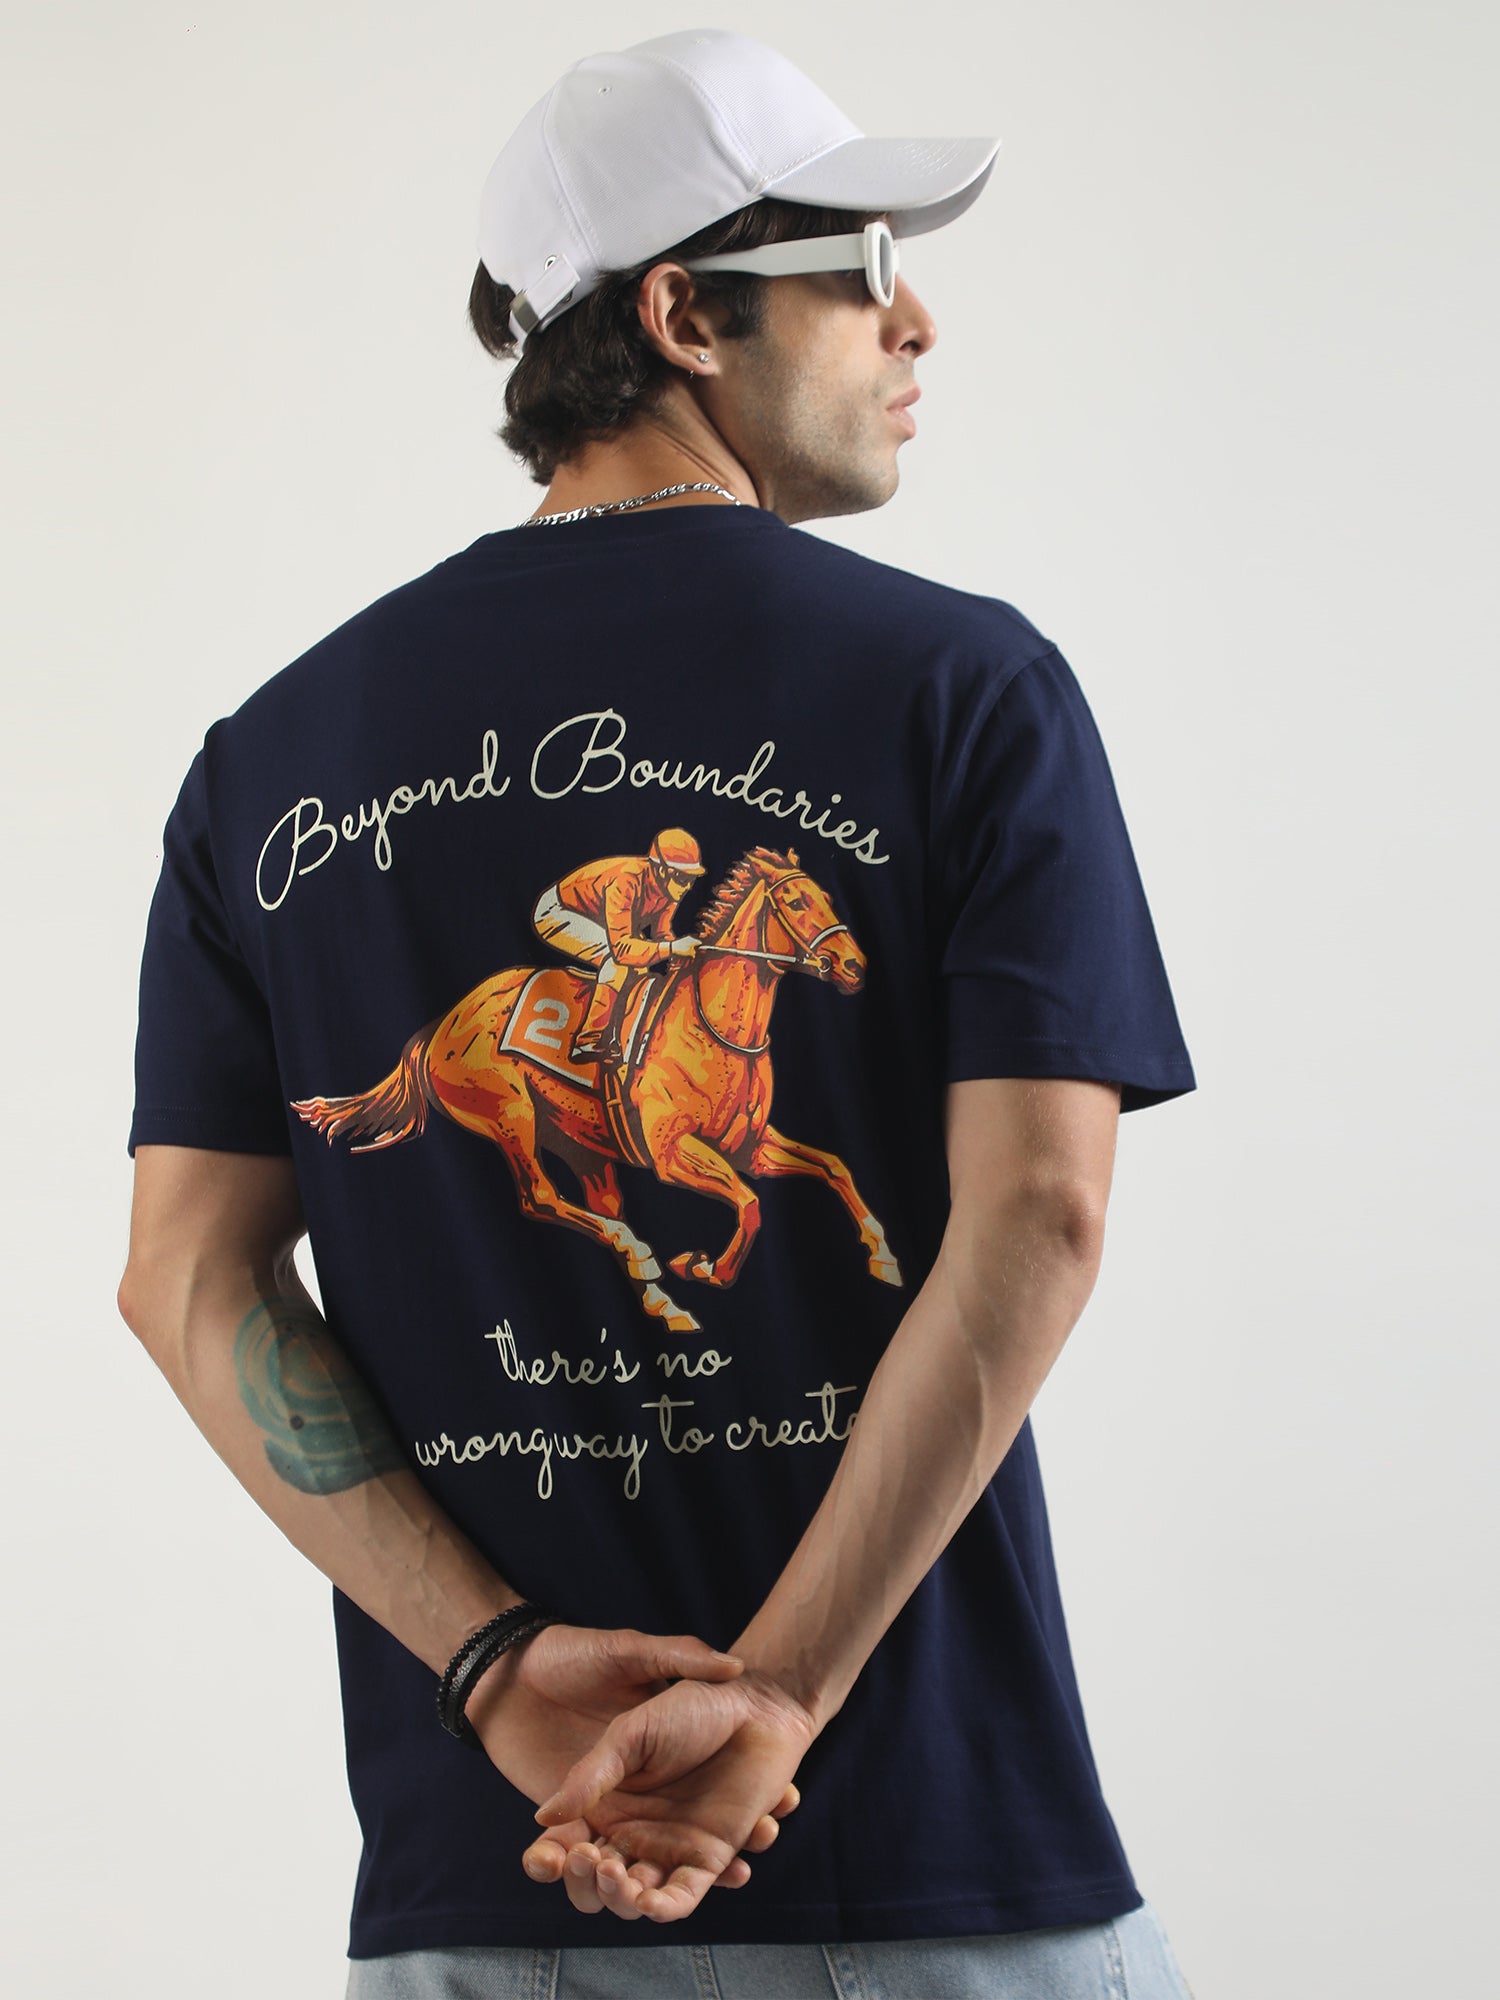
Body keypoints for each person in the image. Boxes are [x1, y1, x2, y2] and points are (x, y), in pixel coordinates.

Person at [119, 27, 1201, 2000]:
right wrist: (777, 1695)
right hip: (927, 1860)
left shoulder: (270, 758)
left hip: (492, 1876)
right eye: (863, 266)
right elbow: (1040, 1212)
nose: (918, 320)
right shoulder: (967, 690)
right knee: (605, 1049)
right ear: (686, 315)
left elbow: (187, 1280)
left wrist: (489, 1663)